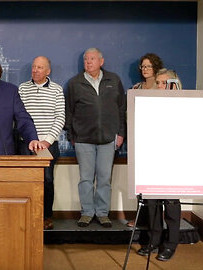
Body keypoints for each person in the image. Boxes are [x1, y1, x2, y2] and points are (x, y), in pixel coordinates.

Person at [65, 48, 126, 228]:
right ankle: (87, 212)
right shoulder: (75, 83)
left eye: (92, 59)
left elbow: (121, 109)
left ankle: (102, 213)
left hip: (108, 138)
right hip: (83, 138)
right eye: (85, 59)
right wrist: (72, 135)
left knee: (104, 178)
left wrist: (120, 133)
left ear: (101, 61)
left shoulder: (113, 80)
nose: (88, 62)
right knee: (85, 178)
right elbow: (69, 112)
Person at [136, 68, 182, 262]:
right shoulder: (150, 104)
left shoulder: (184, 104)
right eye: (159, 83)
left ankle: (171, 244)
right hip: (152, 159)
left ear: (175, 84)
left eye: (166, 83)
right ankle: (154, 241)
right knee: (153, 203)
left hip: (173, 161)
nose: (162, 86)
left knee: (171, 205)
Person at [18, 56, 65, 230]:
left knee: (47, 180)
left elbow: (60, 118)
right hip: (26, 143)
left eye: (40, 67)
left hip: (48, 144)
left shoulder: (57, 90)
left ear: (48, 71)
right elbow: (19, 117)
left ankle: (46, 217)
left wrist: (47, 141)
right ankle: (26, 214)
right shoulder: (22, 89)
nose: (35, 70)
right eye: (33, 67)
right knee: (24, 181)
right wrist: (31, 139)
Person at [127, 53, 164, 228]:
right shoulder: (136, 88)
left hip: (160, 142)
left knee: (158, 188)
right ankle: (141, 218)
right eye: (143, 66)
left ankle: (156, 221)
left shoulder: (163, 87)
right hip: (140, 143)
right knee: (140, 185)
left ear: (156, 67)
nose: (145, 69)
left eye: (148, 66)